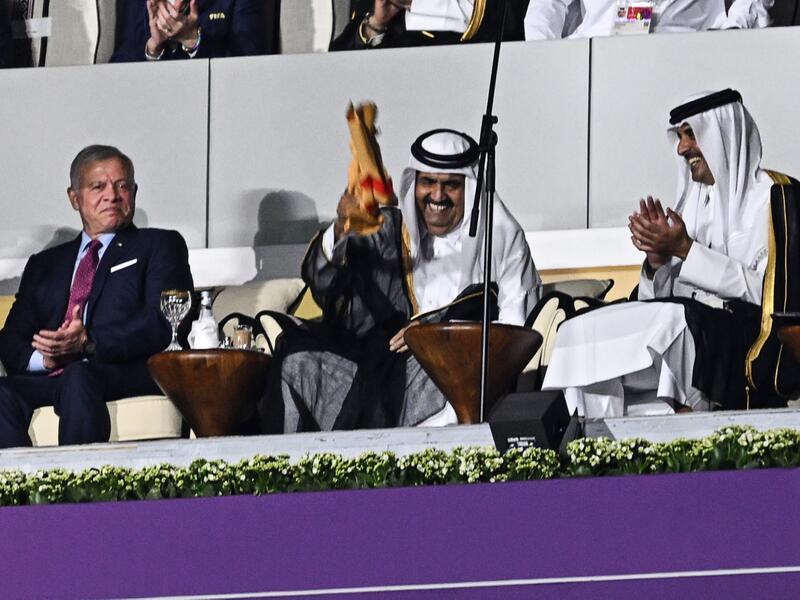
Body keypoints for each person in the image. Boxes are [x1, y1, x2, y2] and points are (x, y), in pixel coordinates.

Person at [264, 129, 540, 432]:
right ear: (414, 184)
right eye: (428, 183)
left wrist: (434, 339)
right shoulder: (391, 233)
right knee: (297, 361)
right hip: (377, 371)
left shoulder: (501, 238)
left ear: (471, 188)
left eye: (451, 185)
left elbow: (513, 336)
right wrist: (342, 230)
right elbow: (324, 282)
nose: (437, 196)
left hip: (457, 381)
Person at [543, 89, 797, 417]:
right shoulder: (690, 205)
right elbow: (659, 302)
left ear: (722, 134)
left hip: (746, 341)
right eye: (678, 136)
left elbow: (776, 298)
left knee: (674, 322)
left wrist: (685, 249)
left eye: (690, 134)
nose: (681, 148)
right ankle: (590, 442)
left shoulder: (778, 198)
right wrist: (658, 261)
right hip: (694, 328)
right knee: (580, 330)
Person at [0, 145, 193, 447]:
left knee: (78, 376)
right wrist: (47, 359)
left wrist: (88, 343)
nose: (112, 196)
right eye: (98, 187)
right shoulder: (44, 264)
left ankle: (81, 490)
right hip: (54, 377)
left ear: (134, 191)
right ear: (74, 198)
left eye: (122, 186)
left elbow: (165, 323)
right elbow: (11, 340)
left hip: (124, 371)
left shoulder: (159, 245)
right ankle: (22, 489)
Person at [330, 0, 529, 50]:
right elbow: (339, 62)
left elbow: (511, 17)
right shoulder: (366, 7)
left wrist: (418, 3)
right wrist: (375, 25)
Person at [524, 0, 774, 40]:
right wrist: (543, 58)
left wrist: (735, 30)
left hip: (690, 50)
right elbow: (546, 6)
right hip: (594, 57)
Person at [111, 0, 270, 62]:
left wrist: (192, 40)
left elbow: (251, 68)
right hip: (148, 107)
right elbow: (115, 71)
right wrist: (153, 48)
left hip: (216, 111)